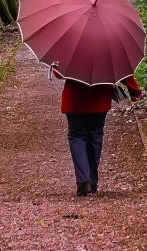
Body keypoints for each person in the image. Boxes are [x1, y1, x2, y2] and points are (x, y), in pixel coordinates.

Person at [51, 66, 142, 196]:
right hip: (99, 99)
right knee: (95, 136)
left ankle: (83, 179)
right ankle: (92, 182)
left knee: (77, 136)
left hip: (75, 101)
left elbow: (59, 74)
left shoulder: (71, 47)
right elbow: (122, 69)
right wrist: (135, 91)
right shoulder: (109, 47)